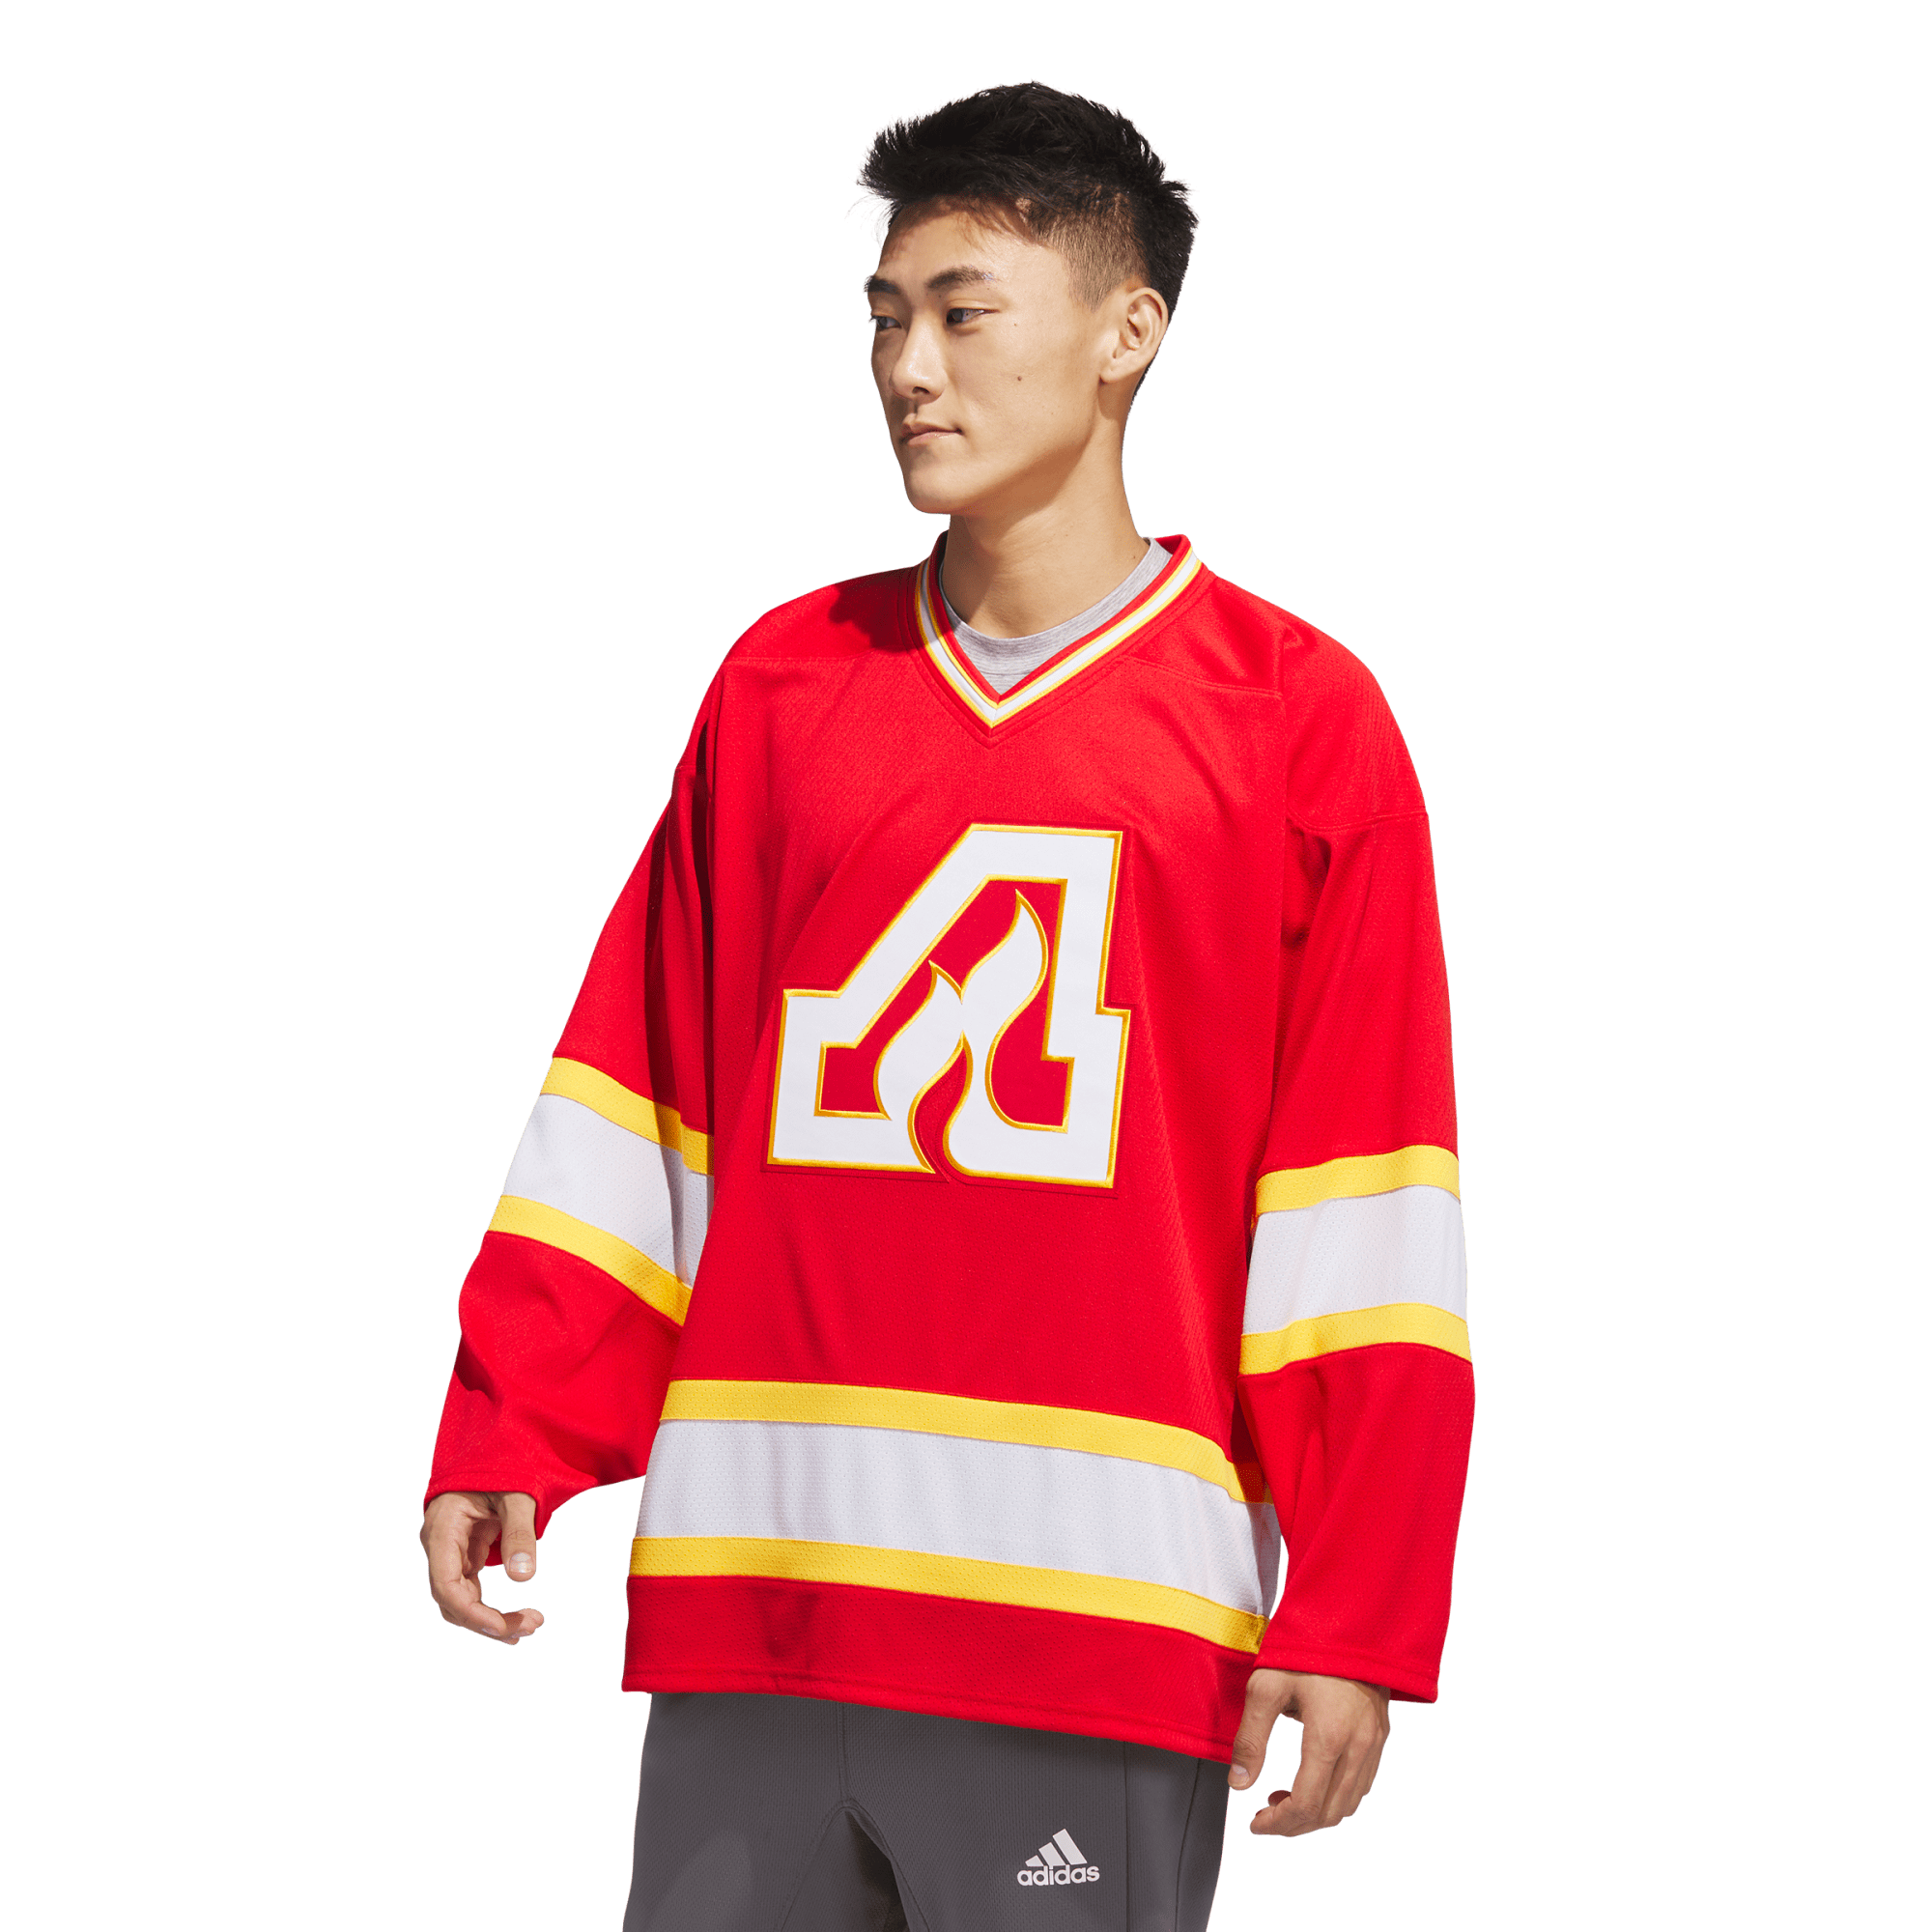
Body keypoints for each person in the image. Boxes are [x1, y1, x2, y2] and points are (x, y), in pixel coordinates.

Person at [420, 80, 1474, 1932]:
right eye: (888, 317)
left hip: (1095, 1637)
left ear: (1128, 331)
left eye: (966, 311)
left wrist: (1353, 1609)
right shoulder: (779, 686)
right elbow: (636, 1098)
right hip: (759, 1609)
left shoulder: (1298, 724)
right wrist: (519, 1424)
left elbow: (1359, 1213)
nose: (911, 367)